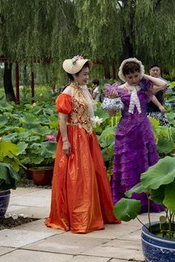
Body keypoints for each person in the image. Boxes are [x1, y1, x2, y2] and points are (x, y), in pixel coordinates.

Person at [45, 55, 119, 233]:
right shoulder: (67, 93)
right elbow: (62, 119)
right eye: (84, 74)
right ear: (74, 75)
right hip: (73, 136)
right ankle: (78, 217)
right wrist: (65, 141)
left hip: (87, 136)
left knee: (92, 173)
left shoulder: (83, 90)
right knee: (78, 176)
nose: (87, 77)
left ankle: (94, 213)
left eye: (87, 74)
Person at [108, 58, 168, 212]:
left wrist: (145, 76)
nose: (134, 79)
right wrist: (113, 98)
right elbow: (111, 113)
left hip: (143, 130)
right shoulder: (119, 90)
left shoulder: (145, 87)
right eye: (130, 77)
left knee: (147, 162)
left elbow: (163, 84)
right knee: (128, 162)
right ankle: (130, 200)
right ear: (124, 76)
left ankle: (148, 200)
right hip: (126, 132)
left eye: (136, 75)